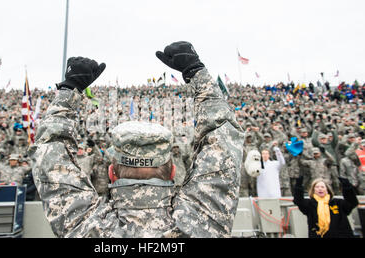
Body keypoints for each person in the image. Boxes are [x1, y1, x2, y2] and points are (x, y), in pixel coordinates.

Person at [30, 41, 244, 237]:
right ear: (172, 172)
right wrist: (196, 71)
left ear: (111, 173)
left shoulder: (87, 228)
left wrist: (69, 89)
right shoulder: (200, 221)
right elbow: (224, 137)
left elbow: (49, 155)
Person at [293, 176, 358, 238]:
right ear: (313, 190)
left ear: (327, 190)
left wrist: (347, 187)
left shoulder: (338, 203)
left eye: (322, 187)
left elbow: (352, 202)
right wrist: (298, 185)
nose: (320, 189)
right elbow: (298, 201)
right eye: (317, 187)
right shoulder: (310, 204)